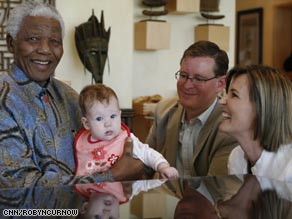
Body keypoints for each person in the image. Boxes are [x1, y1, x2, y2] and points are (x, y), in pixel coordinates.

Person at [0, 1, 144, 188]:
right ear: (11, 43)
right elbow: (16, 184)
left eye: (55, 42)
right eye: (33, 39)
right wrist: (112, 175)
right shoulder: (5, 99)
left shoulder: (70, 97)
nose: (45, 49)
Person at [146, 40, 238, 177]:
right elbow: (144, 165)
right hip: (164, 196)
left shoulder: (230, 126)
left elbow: (216, 187)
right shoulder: (163, 111)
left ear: (220, 84)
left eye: (198, 79)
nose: (187, 85)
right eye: (183, 76)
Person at [74, 83, 179, 179]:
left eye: (113, 116)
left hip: (121, 193)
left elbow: (147, 153)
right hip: (89, 195)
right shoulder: (82, 144)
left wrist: (163, 167)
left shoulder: (125, 139)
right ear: (86, 123)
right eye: (99, 118)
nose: (108, 123)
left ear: (119, 115)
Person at [219, 65, 292, 182]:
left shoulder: (289, 169)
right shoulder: (236, 158)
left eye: (234, 95)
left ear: (263, 108)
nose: (221, 101)